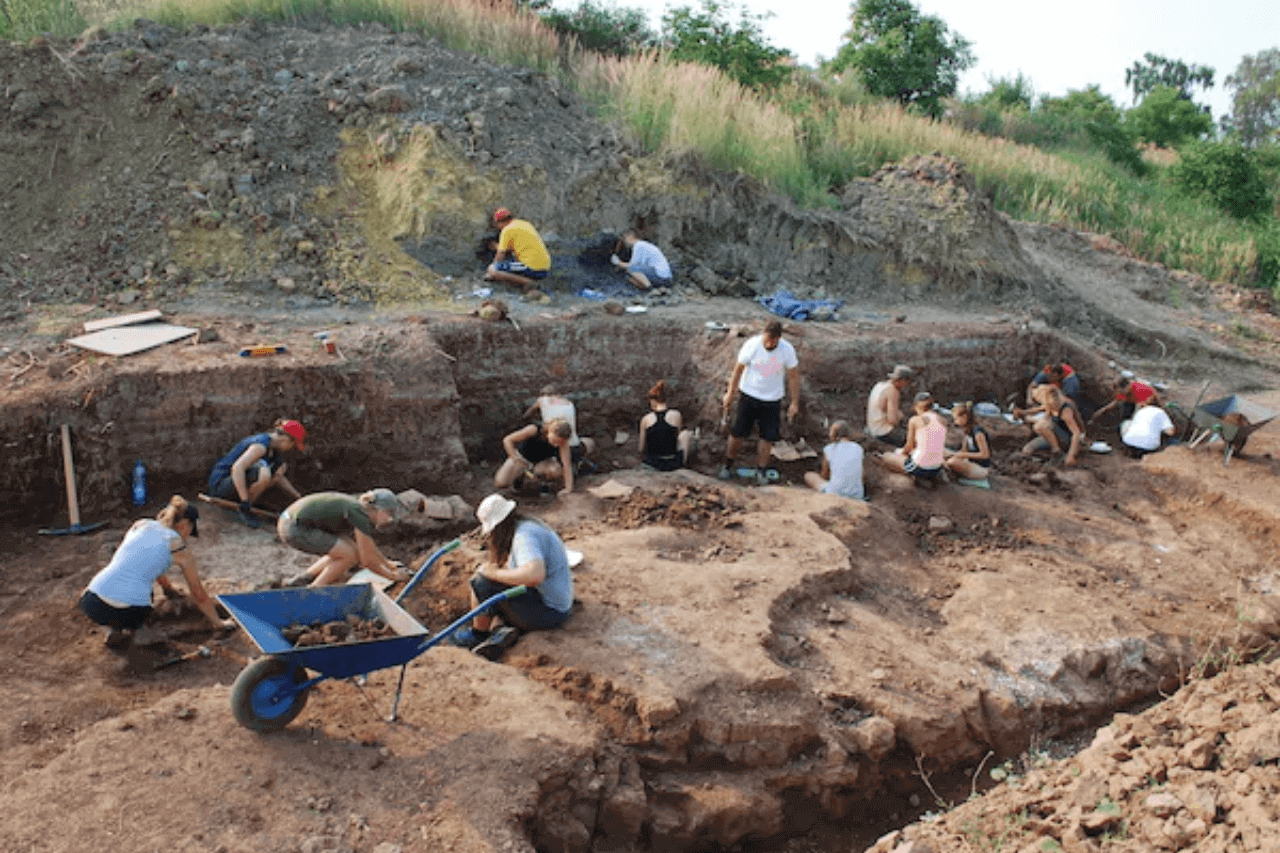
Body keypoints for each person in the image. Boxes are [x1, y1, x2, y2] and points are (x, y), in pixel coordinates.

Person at [79, 496, 233, 648]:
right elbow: (197, 591)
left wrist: (168, 589)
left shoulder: (140, 524)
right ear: (184, 525)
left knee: (132, 583)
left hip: (91, 602)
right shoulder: (177, 545)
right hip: (130, 611)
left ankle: (114, 628)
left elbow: (146, 561)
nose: (188, 537)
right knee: (145, 594)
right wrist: (219, 624)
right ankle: (139, 633)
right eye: (190, 531)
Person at [451, 494, 574, 661]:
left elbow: (535, 575)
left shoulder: (524, 537)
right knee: (490, 582)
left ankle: (478, 634)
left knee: (481, 581)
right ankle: (500, 630)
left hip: (550, 613)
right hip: (555, 604)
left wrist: (491, 573)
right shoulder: (526, 526)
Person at [720, 319, 800, 486]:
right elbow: (737, 371)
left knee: (768, 437)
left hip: (772, 400)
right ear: (763, 335)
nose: (769, 343)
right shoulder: (752, 345)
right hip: (748, 396)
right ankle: (728, 464)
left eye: (773, 341)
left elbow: (793, 377)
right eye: (767, 339)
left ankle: (761, 469)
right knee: (737, 433)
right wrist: (730, 393)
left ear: (779, 338)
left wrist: (794, 402)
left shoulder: (787, 350)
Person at [277, 489, 412, 587]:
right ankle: (315, 589)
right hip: (293, 527)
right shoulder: (359, 514)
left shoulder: (359, 509)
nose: (390, 519)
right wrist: (393, 576)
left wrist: (387, 563)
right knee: (348, 555)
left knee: (351, 549)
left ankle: (304, 578)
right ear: (377, 509)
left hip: (293, 522)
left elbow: (366, 548)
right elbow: (367, 561)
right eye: (388, 513)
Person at [207, 419, 306, 528]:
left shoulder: (273, 450)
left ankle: (250, 504)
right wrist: (245, 501)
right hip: (220, 485)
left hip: (234, 484)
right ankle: (245, 509)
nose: (291, 448)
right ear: (285, 439)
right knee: (264, 474)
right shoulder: (260, 446)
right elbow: (237, 469)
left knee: (277, 469)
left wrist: (298, 496)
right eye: (293, 444)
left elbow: (278, 477)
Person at [495, 419, 593, 496]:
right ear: (549, 432)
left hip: (541, 463)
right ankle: (519, 478)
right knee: (501, 482)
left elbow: (566, 465)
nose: (556, 445)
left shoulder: (562, 443)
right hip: (522, 459)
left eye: (559, 442)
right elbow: (507, 440)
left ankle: (542, 484)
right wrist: (514, 457)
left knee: (555, 469)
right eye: (554, 441)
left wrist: (568, 489)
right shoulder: (533, 430)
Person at [880, 392, 948, 486]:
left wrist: (901, 455)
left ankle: (917, 478)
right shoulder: (943, 421)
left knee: (887, 457)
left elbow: (909, 446)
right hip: (937, 468)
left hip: (920, 467)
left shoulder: (915, 420)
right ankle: (931, 477)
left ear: (916, 406)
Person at [1016, 384, 1085, 466]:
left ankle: (1057, 452)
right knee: (1027, 450)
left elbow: (1076, 433)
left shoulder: (1065, 411)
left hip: (1067, 439)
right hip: (1055, 435)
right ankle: (1052, 449)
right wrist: (1023, 412)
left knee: (1040, 425)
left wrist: (1071, 455)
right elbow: (1041, 408)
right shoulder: (1051, 399)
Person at [484, 207, 551, 290]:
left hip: (532, 267)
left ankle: (529, 282)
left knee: (493, 269)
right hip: (545, 268)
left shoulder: (507, 230)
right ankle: (524, 283)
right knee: (510, 265)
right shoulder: (525, 224)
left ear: (500, 222)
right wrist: (497, 246)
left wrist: (491, 269)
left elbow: (500, 254)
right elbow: (515, 247)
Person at [638, 380, 696, 471]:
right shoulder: (676, 415)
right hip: (672, 463)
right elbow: (676, 440)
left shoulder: (646, 419)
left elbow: (641, 448)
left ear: (653, 400)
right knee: (686, 434)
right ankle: (685, 465)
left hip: (653, 463)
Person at [804, 420, 864, 500]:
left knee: (809, 476)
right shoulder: (858, 448)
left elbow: (824, 475)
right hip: (857, 495)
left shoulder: (829, 449)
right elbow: (862, 475)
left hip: (835, 493)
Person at [944, 401, 992, 484]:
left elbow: (985, 454)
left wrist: (962, 455)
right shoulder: (967, 432)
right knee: (942, 451)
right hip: (970, 462)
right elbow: (963, 451)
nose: (955, 422)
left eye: (956, 419)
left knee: (951, 462)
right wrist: (955, 455)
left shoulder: (978, 433)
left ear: (964, 416)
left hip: (981, 469)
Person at [866, 366, 914, 447]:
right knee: (915, 439)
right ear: (902, 381)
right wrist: (900, 416)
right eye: (907, 383)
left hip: (871, 427)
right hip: (882, 431)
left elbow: (882, 407)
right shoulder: (893, 391)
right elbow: (892, 420)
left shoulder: (879, 385)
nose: (906, 386)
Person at [1090, 375, 1159, 427]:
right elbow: (1115, 403)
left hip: (1149, 402)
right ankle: (1124, 424)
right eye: (1119, 391)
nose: (1121, 393)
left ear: (1128, 386)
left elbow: (1139, 409)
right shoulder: (1122, 392)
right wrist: (1101, 411)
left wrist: (1133, 423)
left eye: (1122, 391)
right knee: (1125, 409)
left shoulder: (1139, 389)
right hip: (1134, 401)